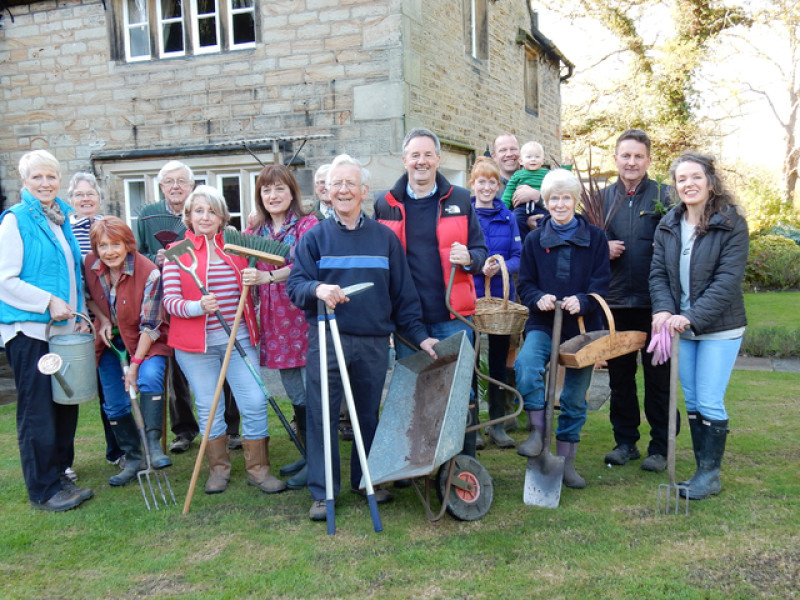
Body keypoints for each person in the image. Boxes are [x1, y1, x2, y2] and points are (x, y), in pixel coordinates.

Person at [287, 154, 438, 522]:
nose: (343, 190)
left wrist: (421, 338)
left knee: (367, 415)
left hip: (372, 342)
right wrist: (318, 288)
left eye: (350, 184)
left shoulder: (384, 239)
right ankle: (324, 494)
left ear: (364, 191)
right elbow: (295, 285)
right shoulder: (314, 239)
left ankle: (366, 480)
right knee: (323, 415)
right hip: (327, 337)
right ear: (326, 191)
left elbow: (404, 297)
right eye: (336, 184)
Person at [162, 185, 286, 495]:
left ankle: (258, 469)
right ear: (188, 216)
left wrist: (254, 280)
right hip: (195, 347)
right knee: (209, 405)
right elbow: (170, 301)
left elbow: (264, 280)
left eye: (212, 211)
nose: (205, 216)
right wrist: (196, 307)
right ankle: (218, 469)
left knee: (255, 400)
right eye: (198, 210)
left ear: (221, 217)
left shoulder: (235, 250)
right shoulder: (177, 253)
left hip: (239, 337)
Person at [373, 128, 487, 456]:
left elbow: (480, 251)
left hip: (454, 316)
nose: (421, 161)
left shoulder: (461, 199)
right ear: (404, 159)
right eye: (415, 155)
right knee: (415, 392)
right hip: (409, 321)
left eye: (427, 155)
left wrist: (471, 258)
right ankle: (419, 461)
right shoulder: (385, 204)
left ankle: (462, 463)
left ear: (438, 159)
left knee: (459, 393)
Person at [650, 152, 748, 500]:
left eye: (696, 177)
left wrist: (690, 316)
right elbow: (659, 273)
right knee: (692, 400)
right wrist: (663, 310)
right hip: (681, 328)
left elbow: (727, 282)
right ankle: (701, 470)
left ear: (710, 181)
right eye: (681, 179)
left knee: (708, 398)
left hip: (719, 327)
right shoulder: (669, 224)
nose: (688, 184)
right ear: (675, 186)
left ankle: (710, 474)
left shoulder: (730, 222)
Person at [0, 149, 93, 511]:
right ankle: (43, 489)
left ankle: (60, 474)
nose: (45, 183)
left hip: (62, 332)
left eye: (51, 177)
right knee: (38, 409)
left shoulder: (60, 218)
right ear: (24, 182)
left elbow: (71, 274)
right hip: (29, 332)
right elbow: (4, 280)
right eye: (37, 177)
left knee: (64, 404)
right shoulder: (16, 220)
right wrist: (46, 301)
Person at [514, 169, 610, 489]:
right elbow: (524, 284)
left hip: (583, 328)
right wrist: (538, 298)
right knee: (527, 366)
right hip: (543, 323)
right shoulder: (533, 240)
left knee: (574, 397)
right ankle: (538, 435)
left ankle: (567, 463)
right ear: (545, 202)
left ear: (575, 200)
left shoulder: (595, 238)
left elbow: (601, 283)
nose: (559, 204)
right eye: (553, 198)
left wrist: (583, 301)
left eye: (565, 197)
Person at [137, 161, 241, 454]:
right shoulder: (148, 216)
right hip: (172, 302)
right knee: (179, 372)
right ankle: (184, 430)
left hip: (217, 313)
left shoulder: (215, 222)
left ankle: (230, 429)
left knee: (227, 367)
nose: (175, 186)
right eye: (169, 181)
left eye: (181, 181)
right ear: (161, 187)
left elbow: (230, 253)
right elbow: (138, 253)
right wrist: (157, 259)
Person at [602, 129, 676, 472]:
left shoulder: (666, 196)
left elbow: (681, 243)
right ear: (616, 158)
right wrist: (602, 250)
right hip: (615, 303)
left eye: (638, 156)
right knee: (620, 378)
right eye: (625, 155)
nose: (631, 162)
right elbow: (585, 245)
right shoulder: (598, 199)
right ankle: (625, 442)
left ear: (648, 160)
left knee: (658, 377)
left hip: (655, 304)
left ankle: (661, 446)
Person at [244, 165, 318, 490]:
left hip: (302, 314)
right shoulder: (256, 231)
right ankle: (307, 452)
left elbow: (306, 262)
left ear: (291, 192)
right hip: (274, 320)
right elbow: (235, 253)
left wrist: (268, 276)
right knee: (294, 391)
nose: (272, 196)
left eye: (279, 189)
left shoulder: (307, 225)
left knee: (311, 389)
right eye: (266, 190)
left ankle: (318, 461)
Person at [84, 217, 171, 486]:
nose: (109, 251)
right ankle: (133, 458)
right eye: (103, 246)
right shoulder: (90, 265)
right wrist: (105, 320)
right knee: (113, 402)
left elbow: (151, 324)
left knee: (149, 377)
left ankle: (153, 447)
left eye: (116, 244)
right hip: (111, 343)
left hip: (147, 339)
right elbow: (89, 297)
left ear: (127, 244)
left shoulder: (148, 272)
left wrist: (134, 366)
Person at [67, 172, 125, 474]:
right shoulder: (66, 231)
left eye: (90, 194)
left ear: (99, 197)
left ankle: (117, 449)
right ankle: (63, 461)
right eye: (79, 195)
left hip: (112, 318)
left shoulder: (111, 227)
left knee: (110, 387)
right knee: (71, 390)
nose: (85, 199)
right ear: (71, 200)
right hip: (79, 319)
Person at [469, 157, 522, 449]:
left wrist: (500, 264)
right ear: (473, 184)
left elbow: (518, 256)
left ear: (498, 186)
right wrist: (477, 265)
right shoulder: (466, 215)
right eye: (481, 181)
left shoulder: (508, 216)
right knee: (472, 362)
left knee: (499, 363)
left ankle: (498, 425)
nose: (487, 187)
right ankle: (474, 426)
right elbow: (460, 254)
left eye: (492, 182)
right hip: (471, 299)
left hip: (501, 302)